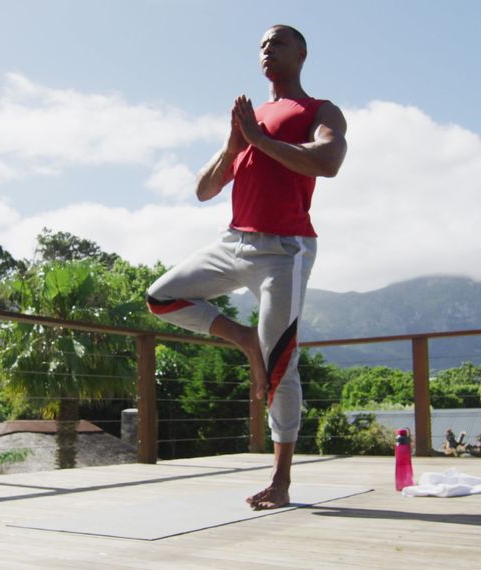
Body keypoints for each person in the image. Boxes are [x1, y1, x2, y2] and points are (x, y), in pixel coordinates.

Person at [146, 24, 347, 510]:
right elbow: (204, 189)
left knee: (281, 363)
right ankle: (243, 339)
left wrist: (259, 138)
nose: (267, 48)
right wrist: (234, 146)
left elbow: (329, 160)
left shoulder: (319, 110)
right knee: (160, 296)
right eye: (262, 44)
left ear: (302, 54)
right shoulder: (249, 119)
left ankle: (280, 479)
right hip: (233, 241)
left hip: (285, 251)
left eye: (278, 41)